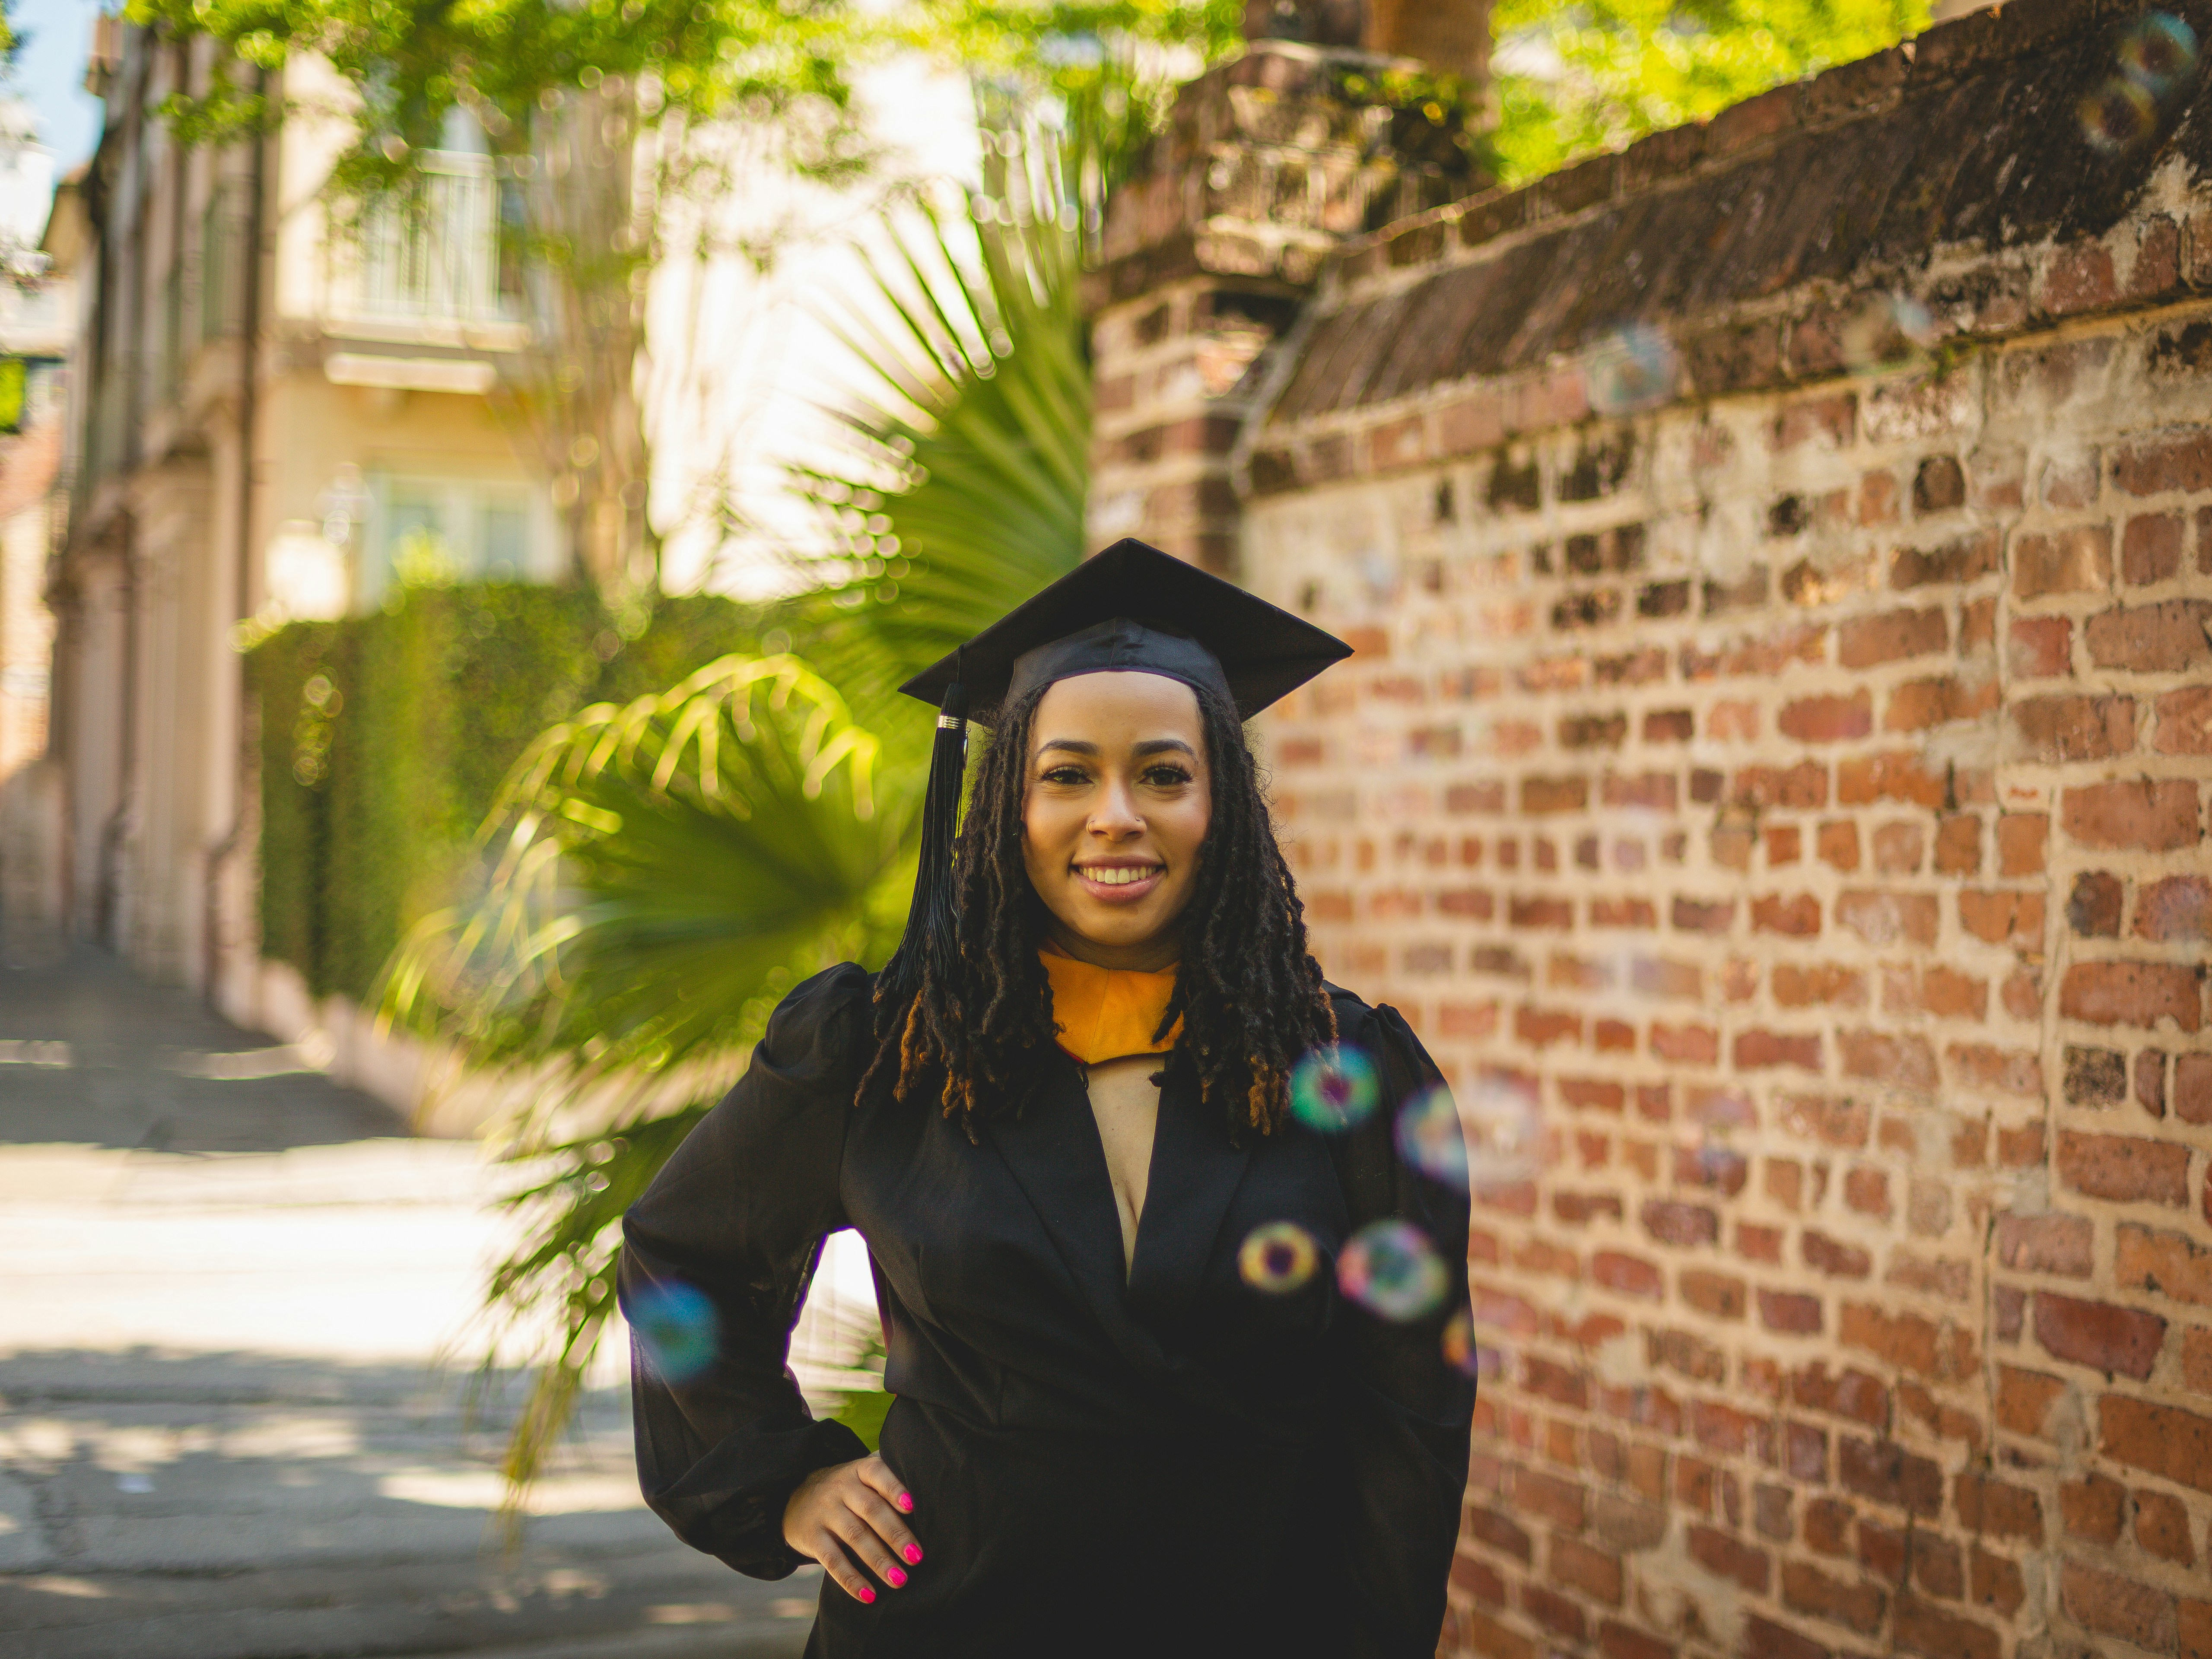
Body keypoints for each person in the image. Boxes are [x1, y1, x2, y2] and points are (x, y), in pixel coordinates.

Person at [619, 539, 1474, 1657]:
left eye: (1164, 774)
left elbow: (1409, 1415)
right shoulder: (890, 1053)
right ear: (1005, 804)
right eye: (1068, 774)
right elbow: (683, 1256)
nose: (1116, 814)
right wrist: (784, 1482)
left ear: (1226, 804)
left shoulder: (1336, 1071)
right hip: (947, 1626)